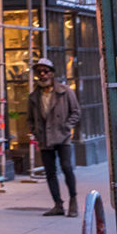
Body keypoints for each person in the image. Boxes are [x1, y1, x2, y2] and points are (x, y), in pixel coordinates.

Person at [28, 56, 82, 217]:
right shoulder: (33, 97)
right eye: (39, 72)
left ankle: (73, 200)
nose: (43, 75)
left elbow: (76, 112)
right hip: (45, 139)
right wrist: (35, 131)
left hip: (62, 136)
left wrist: (66, 126)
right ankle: (58, 204)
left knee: (66, 167)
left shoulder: (65, 92)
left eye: (46, 71)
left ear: (52, 73)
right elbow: (30, 118)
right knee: (50, 172)